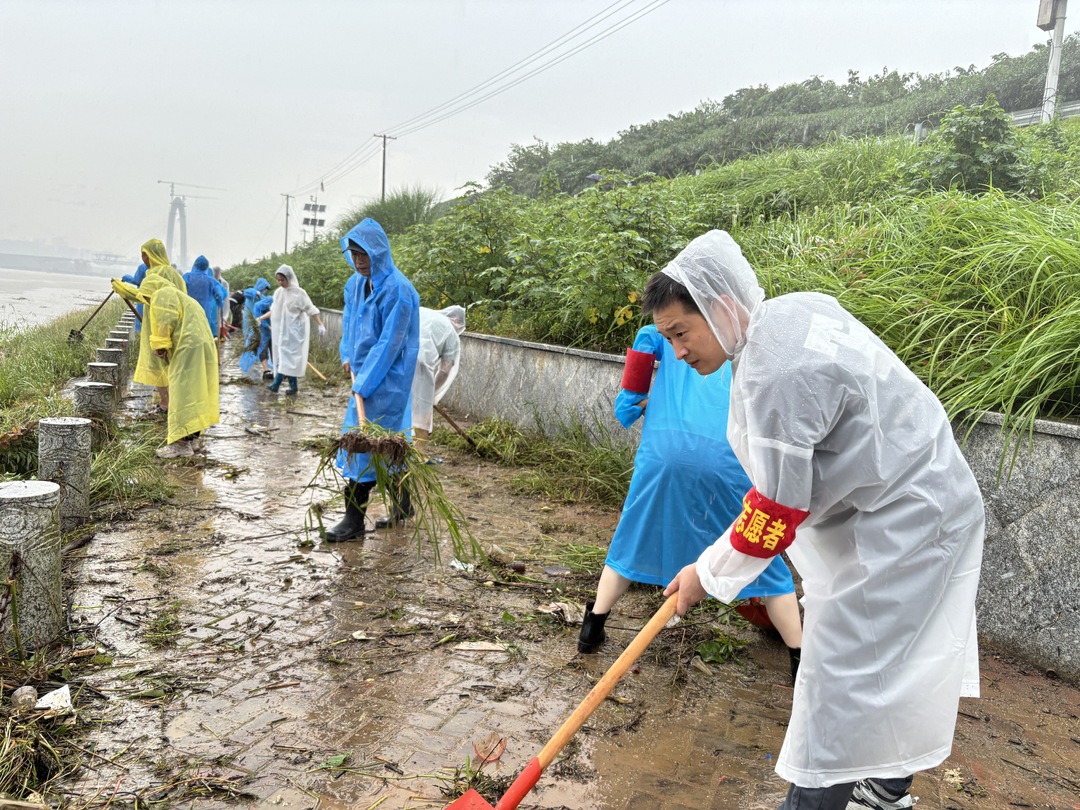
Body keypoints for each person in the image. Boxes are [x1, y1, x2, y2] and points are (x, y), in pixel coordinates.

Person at [648, 230, 983, 810]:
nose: (677, 351)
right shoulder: (791, 311)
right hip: (914, 500)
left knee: (838, 682)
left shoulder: (774, 373)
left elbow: (776, 509)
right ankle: (886, 790)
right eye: (667, 337)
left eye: (682, 332)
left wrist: (706, 574)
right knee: (891, 662)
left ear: (723, 307)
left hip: (907, 520)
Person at [578, 323, 803, 682]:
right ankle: (798, 657)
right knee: (764, 560)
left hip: (661, 455)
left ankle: (591, 629)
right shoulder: (742, 337)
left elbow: (637, 370)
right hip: (725, 461)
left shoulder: (664, 333)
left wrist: (635, 399)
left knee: (630, 542)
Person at [324, 218, 419, 542]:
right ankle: (403, 504)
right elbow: (350, 324)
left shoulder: (399, 291)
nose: (358, 261)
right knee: (377, 447)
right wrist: (346, 356)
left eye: (363, 254)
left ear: (378, 252)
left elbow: (390, 343)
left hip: (388, 381)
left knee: (367, 447)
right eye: (353, 254)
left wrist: (364, 382)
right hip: (361, 378)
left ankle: (353, 522)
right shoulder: (355, 284)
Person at [133, 273, 220, 459]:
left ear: (150, 290)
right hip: (202, 347)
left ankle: (180, 445)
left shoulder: (161, 294)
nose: (148, 302)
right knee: (195, 392)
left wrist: (160, 345)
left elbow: (165, 320)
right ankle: (193, 440)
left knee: (182, 395)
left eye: (146, 298)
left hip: (187, 348)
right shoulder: (183, 297)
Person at [118, 239, 186, 416]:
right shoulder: (175, 274)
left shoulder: (155, 274)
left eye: (144, 254)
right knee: (172, 362)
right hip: (176, 322)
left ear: (151, 255)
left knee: (157, 361)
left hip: (159, 324)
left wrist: (123, 289)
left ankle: (165, 403)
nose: (142, 258)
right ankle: (173, 401)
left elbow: (145, 296)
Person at [257, 264, 326, 395]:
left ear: (289, 278)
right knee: (284, 358)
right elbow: (274, 310)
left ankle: (276, 385)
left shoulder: (299, 293)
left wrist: (320, 324)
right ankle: (292, 387)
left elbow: (311, 309)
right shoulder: (278, 293)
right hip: (281, 332)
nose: (280, 283)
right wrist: (261, 318)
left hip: (294, 333)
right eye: (278, 280)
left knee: (290, 358)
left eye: (282, 280)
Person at [411, 305, 466, 456]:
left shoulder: (423, 312)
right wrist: (431, 394)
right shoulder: (450, 332)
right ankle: (418, 454)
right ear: (455, 319)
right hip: (422, 365)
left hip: (400, 358)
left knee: (400, 407)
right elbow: (446, 369)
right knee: (422, 414)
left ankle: (395, 447)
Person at [183, 255, 227, 339]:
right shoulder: (211, 280)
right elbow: (220, 294)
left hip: (189, 311)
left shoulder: (187, 277)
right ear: (206, 267)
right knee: (204, 336)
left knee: (189, 336)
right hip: (205, 313)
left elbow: (179, 289)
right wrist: (219, 300)